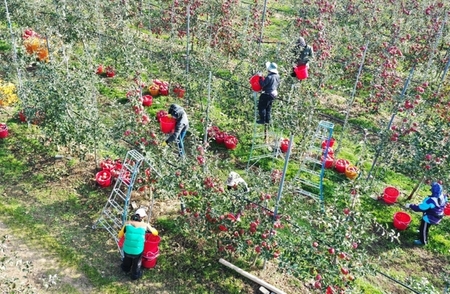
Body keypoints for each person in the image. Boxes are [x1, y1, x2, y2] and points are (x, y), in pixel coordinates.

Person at [118, 208, 158, 280]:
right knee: (137, 262)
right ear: (142, 218)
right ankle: (135, 275)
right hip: (138, 251)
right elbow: (155, 233)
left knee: (127, 258)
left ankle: (125, 269)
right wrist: (149, 226)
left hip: (126, 249)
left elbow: (120, 235)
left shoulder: (127, 224)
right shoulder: (144, 225)